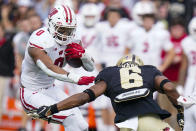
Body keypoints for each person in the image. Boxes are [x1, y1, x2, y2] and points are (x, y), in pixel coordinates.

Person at [30, 54, 196, 131]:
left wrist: (53, 108)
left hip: (124, 125)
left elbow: (83, 97)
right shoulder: (149, 70)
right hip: (149, 122)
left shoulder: (109, 74)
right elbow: (169, 88)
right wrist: (180, 109)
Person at [20, 5, 95, 131]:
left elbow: (88, 67)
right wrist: (76, 78)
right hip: (31, 92)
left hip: (50, 88)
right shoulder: (39, 39)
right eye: (62, 29)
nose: (66, 34)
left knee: (81, 123)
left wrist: (84, 55)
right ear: (51, 25)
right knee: (70, 118)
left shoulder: (73, 39)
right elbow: (48, 68)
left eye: (69, 30)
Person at [177, 17, 196, 131]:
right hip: (191, 80)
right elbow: (184, 66)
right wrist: (180, 84)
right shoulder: (187, 42)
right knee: (187, 110)